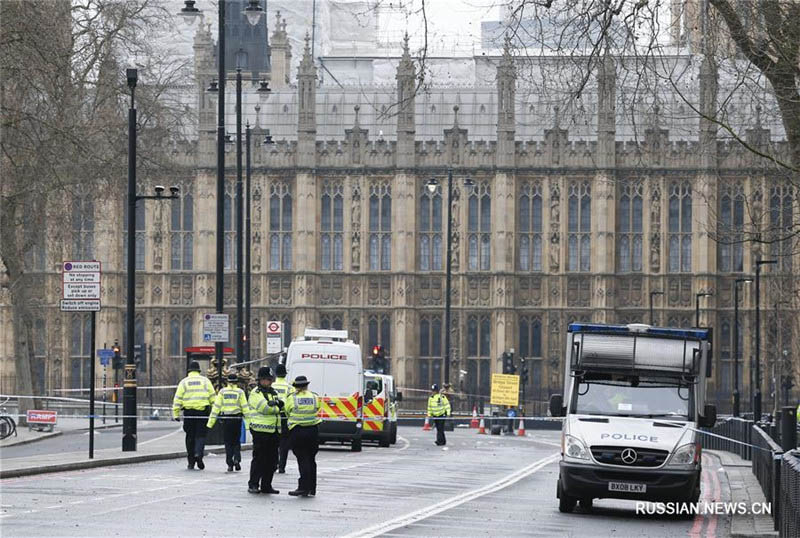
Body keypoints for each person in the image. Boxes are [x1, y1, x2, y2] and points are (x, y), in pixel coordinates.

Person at [172, 361, 216, 470]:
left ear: (189, 371)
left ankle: (191, 461)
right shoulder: (205, 381)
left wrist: (176, 413)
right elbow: (213, 398)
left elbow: (177, 399)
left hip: (189, 413)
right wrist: (215, 412)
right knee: (201, 436)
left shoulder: (184, 382)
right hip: (202, 412)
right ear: (199, 371)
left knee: (190, 437)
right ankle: (199, 454)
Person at [247, 366, 283, 494]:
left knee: (272, 461)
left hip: (273, 431)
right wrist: (277, 407)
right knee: (259, 459)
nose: (268, 382)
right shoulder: (255, 393)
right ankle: (253, 484)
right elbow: (265, 408)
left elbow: (279, 405)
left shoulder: (274, 393)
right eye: (266, 379)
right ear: (260, 380)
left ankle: (267, 485)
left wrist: (277, 406)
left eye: (270, 379)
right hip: (260, 431)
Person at [284, 375, 321, 497]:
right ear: (306, 385)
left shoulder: (292, 398)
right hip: (313, 430)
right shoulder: (314, 397)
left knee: (302, 459)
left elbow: (287, 411)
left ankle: (303, 487)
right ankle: (312, 488)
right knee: (311, 459)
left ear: (296, 387)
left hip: (298, 431)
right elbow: (317, 408)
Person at [207, 372, 252, 472]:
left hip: (226, 420)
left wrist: (210, 423)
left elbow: (216, 407)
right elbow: (245, 408)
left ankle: (229, 463)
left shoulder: (222, 392)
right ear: (236, 382)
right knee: (236, 441)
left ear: (227, 382)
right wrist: (248, 424)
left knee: (228, 442)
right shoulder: (240, 392)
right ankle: (237, 459)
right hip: (237, 419)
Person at [273, 363, 292, 473]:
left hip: (274, 415)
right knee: (284, 443)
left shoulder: (272, 386)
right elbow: (291, 403)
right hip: (284, 417)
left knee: (274, 442)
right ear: (285, 374)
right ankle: (282, 466)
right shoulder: (289, 387)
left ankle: (274, 463)